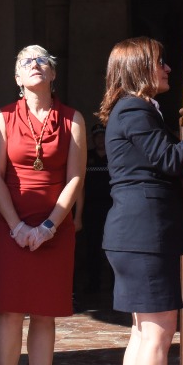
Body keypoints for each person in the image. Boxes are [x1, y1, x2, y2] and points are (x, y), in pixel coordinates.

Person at [100, 37, 183, 365]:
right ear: (139, 68)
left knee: (141, 333)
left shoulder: (133, 109)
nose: (168, 68)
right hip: (144, 234)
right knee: (158, 333)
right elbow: (170, 160)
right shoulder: (135, 109)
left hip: (135, 234)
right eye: (160, 62)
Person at [0, 45, 86, 365]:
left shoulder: (72, 118)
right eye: (26, 61)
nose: (35, 64)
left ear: (53, 73)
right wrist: (17, 226)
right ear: (17, 78)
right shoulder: (3, 117)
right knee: (10, 312)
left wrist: (49, 226)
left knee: (45, 314)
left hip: (54, 229)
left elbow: (75, 177)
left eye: (42, 59)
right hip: (10, 227)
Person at [73, 125, 112, 296]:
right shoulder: (86, 157)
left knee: (112, 249)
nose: (100, 139)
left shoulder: (114, 156)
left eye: (102, 135)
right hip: (90, 209)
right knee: (92, 248)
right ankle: (93, 286)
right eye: (97, 136)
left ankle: (113, 287)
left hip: (111, 208)